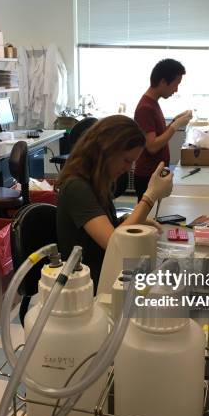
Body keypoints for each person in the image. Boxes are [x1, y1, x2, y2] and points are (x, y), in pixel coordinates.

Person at [55, 115, 174, 292]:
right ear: (104, 151)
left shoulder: (96, 180)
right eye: (126, 160)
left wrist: (131, 220)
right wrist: (150, 196)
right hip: (88, 286)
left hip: (105, 271)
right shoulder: (76, 186)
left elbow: (104, 227)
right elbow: (114, 243)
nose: (129, 168)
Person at [133, 58, 193, 201]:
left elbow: (158, 134)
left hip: (156, 172)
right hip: (148, 176)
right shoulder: (145, 108)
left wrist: (175, 120)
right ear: (163, 82)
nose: (176, 89)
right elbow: (152, 146)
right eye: (176, 84)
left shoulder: (153, 103)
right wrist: (175, 125)